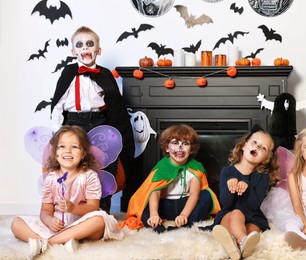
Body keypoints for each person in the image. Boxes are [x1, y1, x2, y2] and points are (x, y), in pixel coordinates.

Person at [50, 26, 135, 213]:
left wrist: (116, 132)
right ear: (73, 52)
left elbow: (115, 106)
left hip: (99, 121)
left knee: (105, 160)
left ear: (98, 50)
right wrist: (58, 133)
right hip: (73, 123)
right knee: (73, 161)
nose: (85, 48)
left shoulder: (104, 75)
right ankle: (71, 205)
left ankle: (102, 208)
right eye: (79, 45)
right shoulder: (68, 74)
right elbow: (57, 105)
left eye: (90, 44)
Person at [11, 125, 124, 258]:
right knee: (16, 224)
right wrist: (49, 221)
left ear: (83, 153)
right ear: (55, 153)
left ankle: (48, 243)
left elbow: (93, 208)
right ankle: (62, 241)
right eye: (62, 146)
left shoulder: (89, 176)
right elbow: (45, 211)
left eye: (74, 147)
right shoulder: (50, 178)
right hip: (57, 226)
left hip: (82, 223)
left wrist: (74, 208)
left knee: (100, 219)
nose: (68, 151)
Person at [118, 124, 221, 233]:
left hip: (185, 205)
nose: (180, 147)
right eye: (175, 143)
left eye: (185, 144)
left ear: (191, 150)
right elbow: (154, 192)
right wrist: (154, 214)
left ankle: (187, 224)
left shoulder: (196, 168)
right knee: (144, 205)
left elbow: (194, 195)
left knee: (206, 195)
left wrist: (184, 215)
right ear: (167, 148)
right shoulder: (161, 168)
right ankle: (157, 227)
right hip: (164, 206)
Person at [201, 128, 279, 260]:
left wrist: (247, 187)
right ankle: (242, 240)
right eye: (255, 142)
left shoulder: (262, 176)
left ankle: (235, 245)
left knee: (253, 232)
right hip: (230, 215)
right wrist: (230, 185)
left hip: (252, 216)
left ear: (265, 159)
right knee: (236, 214)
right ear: (244, 145)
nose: (258, 146)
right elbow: (226, 203)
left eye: (263, 148)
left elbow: (254, 205)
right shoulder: (227, 172)